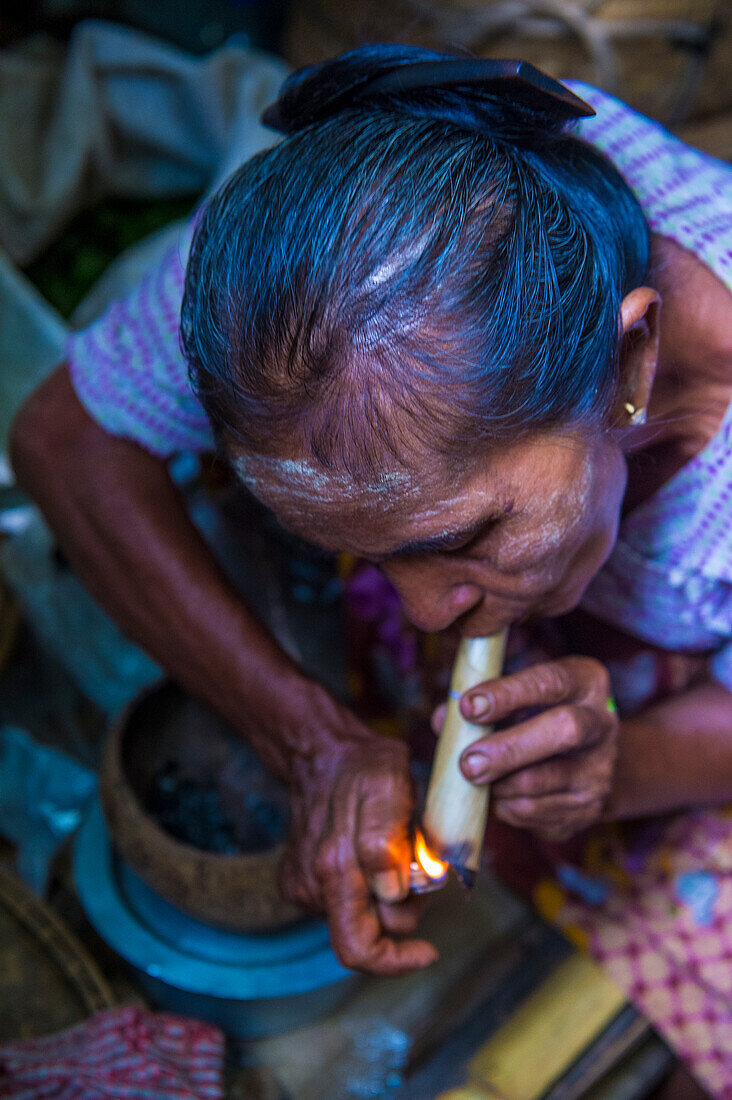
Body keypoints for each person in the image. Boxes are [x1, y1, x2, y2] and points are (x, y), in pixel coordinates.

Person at [10, 45, 731, 1095]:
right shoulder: (365, 237)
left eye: (465, 536)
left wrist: (619, 769)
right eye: (372, 551)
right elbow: (66, 440)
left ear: (629, 362)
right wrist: (306, 733)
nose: (434, 611)